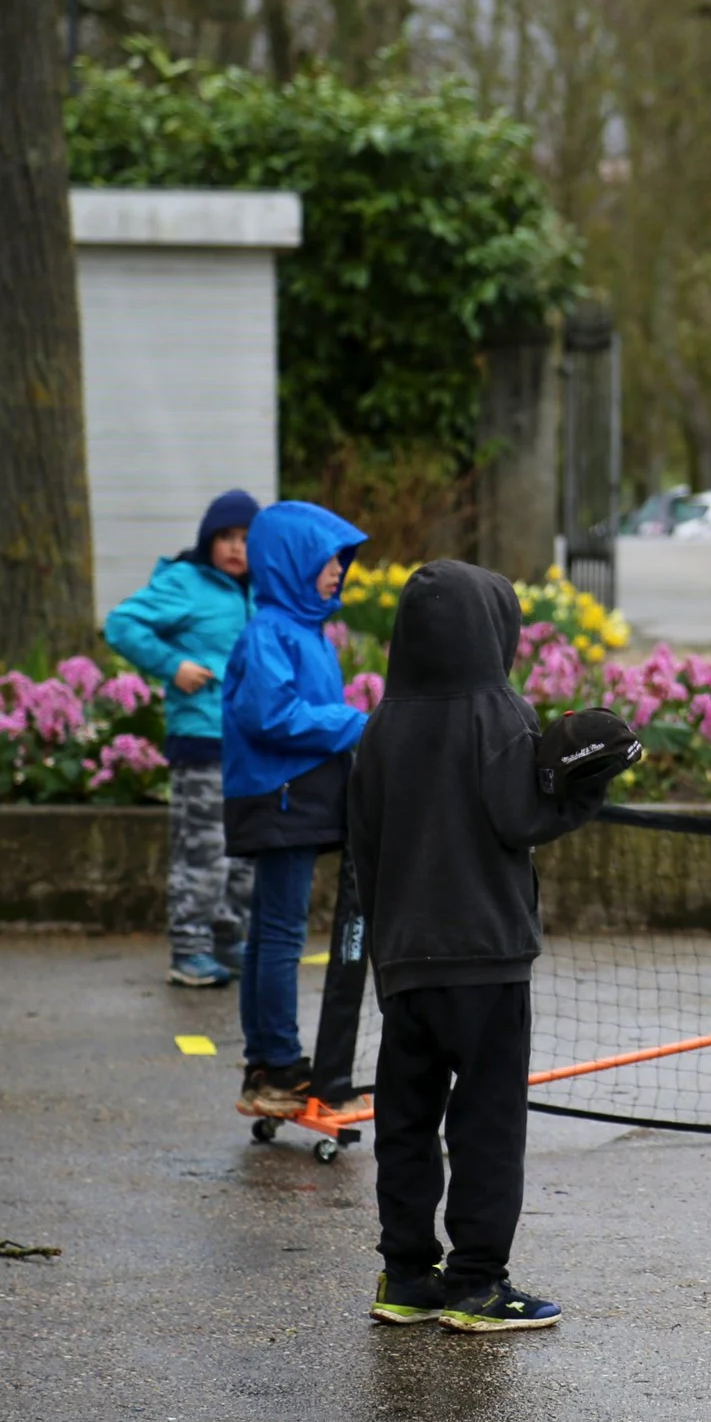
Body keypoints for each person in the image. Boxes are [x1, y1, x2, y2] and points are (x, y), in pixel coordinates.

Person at [350, 561, 633, 1334]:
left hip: (407, 961)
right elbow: (524, 817)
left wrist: (383, 953)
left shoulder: (381, 725)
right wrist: (585, 782)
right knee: (486, 1121)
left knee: (405, 1121)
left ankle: (407, 1274)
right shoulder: (498, 712)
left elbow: (363, 849)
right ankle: (478, 1280)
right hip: (487, 958)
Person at [221, 500, 368, 1118]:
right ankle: (279, 1067)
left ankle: (267, 1062)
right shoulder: (271, 632)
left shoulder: (300, 630)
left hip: (289, 796)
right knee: (280, 934)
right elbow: (272, 715)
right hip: (281, 798)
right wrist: (357, 722)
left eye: (340, 560)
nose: (338, 571)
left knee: (269, 935)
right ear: (289, 563)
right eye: (326, 559)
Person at [103, 489, 260, 988]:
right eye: (226, 537)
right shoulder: (185, 583)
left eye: (247, 539)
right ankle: (189, 948)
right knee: (204, 851)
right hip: (202, 742)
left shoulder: (261, 591)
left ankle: (227, 939)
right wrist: (174, 666)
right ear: (207, 540)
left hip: (249, 745)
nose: (237, 548)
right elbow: (122, 623)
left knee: (243, 854)